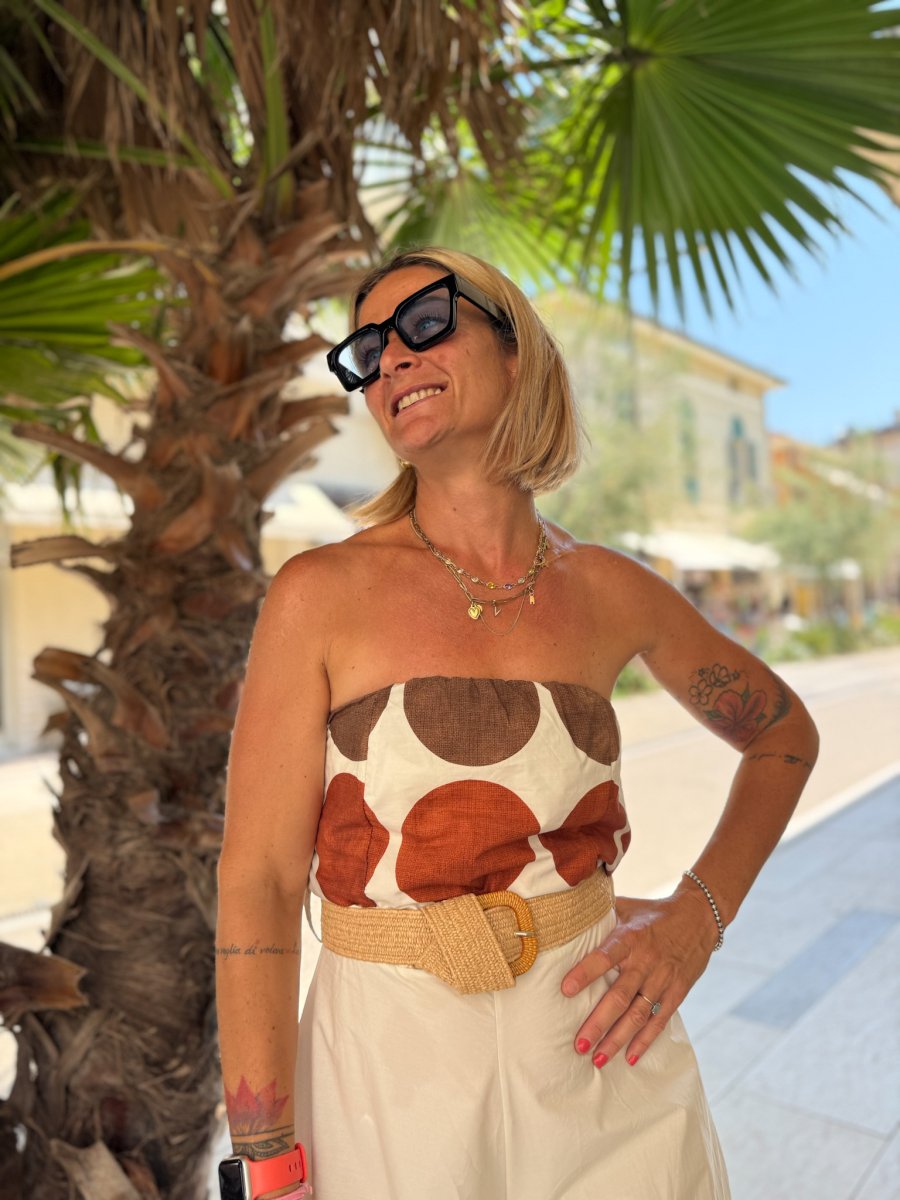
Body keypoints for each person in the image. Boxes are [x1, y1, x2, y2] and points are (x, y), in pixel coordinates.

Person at [215, 248, 819, 1200]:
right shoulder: (318, 594)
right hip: (384, 1076)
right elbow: (259, 879)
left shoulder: (610, 589)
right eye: (368, 351)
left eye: (424, 322)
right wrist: (265, 1160)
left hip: (605, 1061)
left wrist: (697, 919)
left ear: (515, 349)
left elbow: (784, 735)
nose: (392, 358)